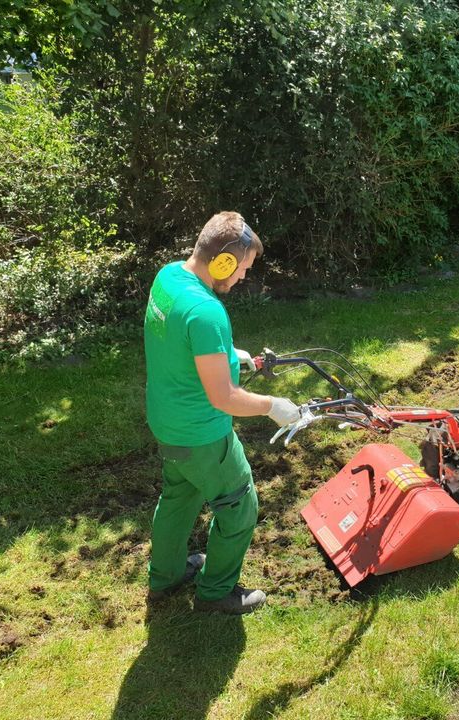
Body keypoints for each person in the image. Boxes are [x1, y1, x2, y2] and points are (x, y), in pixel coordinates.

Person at [142, 211, 301, 614]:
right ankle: (215, 592)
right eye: (243, 268)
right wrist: (273, 407)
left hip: (167, 423)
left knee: (179, 498)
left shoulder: (169, 278)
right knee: (239, 505)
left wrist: (230, 355)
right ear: (224, 261)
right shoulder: (207, 312)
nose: (244, 277)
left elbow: (182, 343)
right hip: (202, 434)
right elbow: (224, 398)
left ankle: (167, 575)